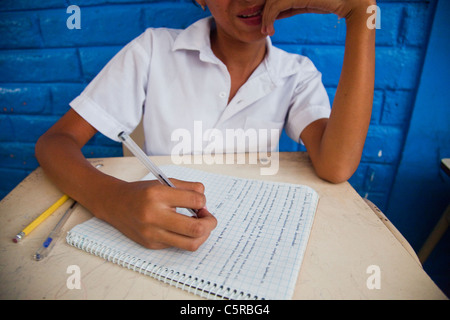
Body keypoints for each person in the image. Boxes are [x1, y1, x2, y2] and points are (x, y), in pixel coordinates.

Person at [35, 0, 376, 251]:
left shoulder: (297, 74)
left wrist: (359, 12)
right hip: (155, 238)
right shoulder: (153, 49)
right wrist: (111, 200)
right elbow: (55, 142)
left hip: (248, 241)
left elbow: (337, 165)